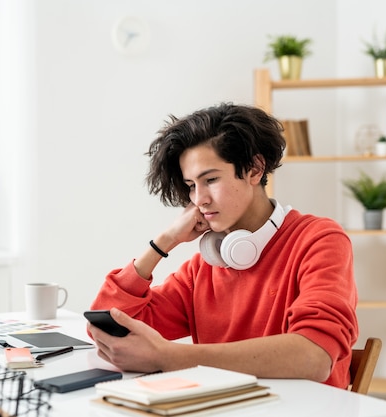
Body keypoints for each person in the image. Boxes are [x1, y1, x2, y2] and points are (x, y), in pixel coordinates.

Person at [88, 102, 358, 388]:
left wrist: (168, 356)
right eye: (191, 185)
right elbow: (108, 329)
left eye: (211, 179)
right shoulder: (205, 266)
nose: (198, 199)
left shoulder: (320, 240)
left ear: (254, 170)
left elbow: (313, 357)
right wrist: (164, 241)